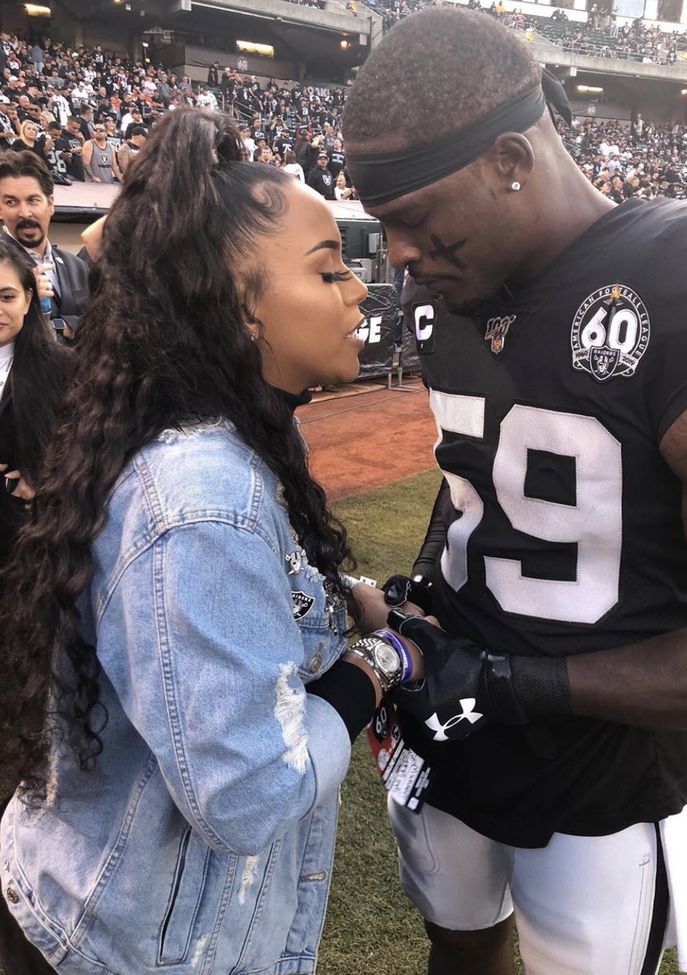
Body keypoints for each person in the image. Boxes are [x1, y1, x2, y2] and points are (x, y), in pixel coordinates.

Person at [343, 8, 687, 975]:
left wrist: (527, 685)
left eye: (417, 220)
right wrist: (428, 586)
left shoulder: (684, 276)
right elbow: (478, 467)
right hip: (449, 721)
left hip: (598, 769)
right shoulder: (449, 286)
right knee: (459, 948)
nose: (396, 252)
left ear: (511, 159)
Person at [0, 109, 422, 975]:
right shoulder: (202, 489)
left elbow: (250, 586)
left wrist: (348, 599)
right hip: (118, 951)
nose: (359, 292)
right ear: (240, 301)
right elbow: (251, 793)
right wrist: (380, 664)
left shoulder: (241, 435)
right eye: (330, 269)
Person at [0, 237, 68, 565]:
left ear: (28, 300)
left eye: (6, 296)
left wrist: (39, 481)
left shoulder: (62, 367)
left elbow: (85, 446)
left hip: (30, 545)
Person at [0, 151, 89, 339]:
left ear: (50, 205)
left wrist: (57, 325)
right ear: (0, 210)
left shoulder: (76, 265)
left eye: (33, 200)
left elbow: (97, 323)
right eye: (11, 202)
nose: (24, 213)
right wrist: (28, 307)